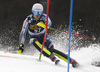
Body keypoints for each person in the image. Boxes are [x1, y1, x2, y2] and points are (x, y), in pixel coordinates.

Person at [17, 3, 79, 67]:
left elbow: (49, 23)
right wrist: (21, 45)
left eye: (39, 13)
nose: (37, 15)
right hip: (34, 37)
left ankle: (71, 61)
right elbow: (23, 32)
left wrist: (45, 24)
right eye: (35, 12)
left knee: (52, 50)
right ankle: (52, 58)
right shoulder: (28, 20)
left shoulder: (44, 17)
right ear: (32, 12)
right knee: (33, 41)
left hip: (43, 36)